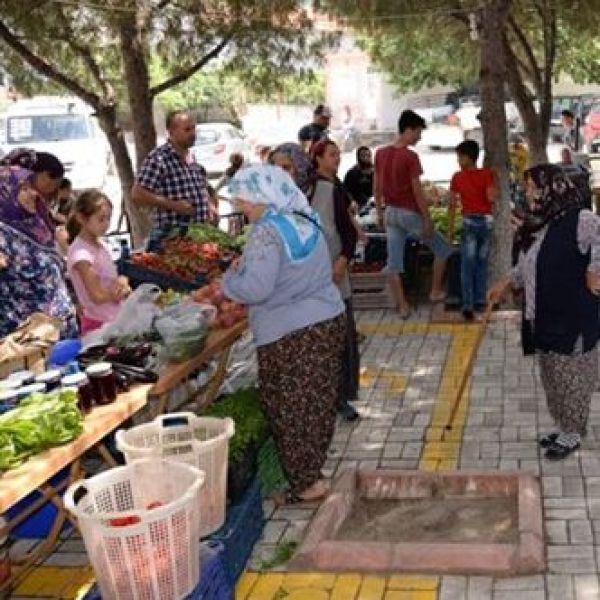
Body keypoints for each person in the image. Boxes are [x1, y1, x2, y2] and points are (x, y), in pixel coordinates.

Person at [222, 164, 345, 505]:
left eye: (243, 200)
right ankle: (312, 474)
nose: (240, 207)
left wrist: (228, 281)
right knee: (316, 403)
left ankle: (306, 485)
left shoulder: (266, 232)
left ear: (262, 196)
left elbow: (257, 289)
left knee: (288, 407)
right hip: (326, 322)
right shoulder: (306, 221)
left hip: (289, 334)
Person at [488, 164, 600, 460]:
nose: (527, 192)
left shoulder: (581, 219)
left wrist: (594, 269)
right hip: (543, 316)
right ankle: (565, 426)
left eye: (531, 187)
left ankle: (573, 433)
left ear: (554, 187)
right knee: (552, 377)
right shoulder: (538, 223)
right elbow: (528, 265)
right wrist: (505, 282)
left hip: (572, 317)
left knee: (571, 379)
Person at [374, 110, 454, 318]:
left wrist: (379, 213)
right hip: (409, 214)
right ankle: (435, 291)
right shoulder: (410, 156)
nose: (420, 137)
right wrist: (427, 219)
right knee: (444, 249)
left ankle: (402, 306)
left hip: (390, 212)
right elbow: (417, 191)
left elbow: (377, 186)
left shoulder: (380, 153)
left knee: (394, 262)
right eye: (418, 132)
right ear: (408, 130)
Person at [310, 139, 360, 423]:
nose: (337, 158)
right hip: (316, 279)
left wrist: (342, 261)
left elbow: (346, 232)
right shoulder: (314, 188)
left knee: (340, 339)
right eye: (332, 154)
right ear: (317, 158)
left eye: (338, 154)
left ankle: (340, 398)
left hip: (333, 275)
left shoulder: (330, 187)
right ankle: (330, 398)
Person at [0, 157, 77, 338]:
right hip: (30, 344)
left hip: (62, 331)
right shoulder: (4, 236)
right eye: (23, 189)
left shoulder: (37, 226)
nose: (34, 194)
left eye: (31, 187)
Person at [131, 110, 217, 248]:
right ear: (171, 131)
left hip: (197, 236)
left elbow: (199, 186)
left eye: (194, 128)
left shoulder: (191, 156)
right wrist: (174, 205)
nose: (193, 133)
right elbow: (137, 194)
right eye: (187, 129)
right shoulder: (159, 158)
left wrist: (209, 204)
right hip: (172, 239)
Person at [67, 190, 131, 335]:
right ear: (82, 218)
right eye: (101, 219)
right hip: (99, 325)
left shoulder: (99, 244)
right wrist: (121, 292)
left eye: (109, 218)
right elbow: (97, 296)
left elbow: (110, 279)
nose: (106, 224)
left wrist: (122, 281)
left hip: (114, 319)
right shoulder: (81, 255)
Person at [449, 140, 498, 321]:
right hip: (486, 222)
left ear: (468, 157)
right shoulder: (487, 174)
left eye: (460, 157)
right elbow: (492, 198)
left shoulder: (457, 177)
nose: (458, 161)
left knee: (467, 265)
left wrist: (450, 229)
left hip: (469, 222)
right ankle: (480, 300)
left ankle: (468, 305)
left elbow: (452, 205)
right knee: (481, 263)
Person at [343, 146, 374, 210]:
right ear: (358, 158)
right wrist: (352, 202)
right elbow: (346, 192)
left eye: (368, 155)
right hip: (359, 207)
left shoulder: (376, 171)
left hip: (375, 204)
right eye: (363, 155)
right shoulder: (351, 174)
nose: (366, 158)